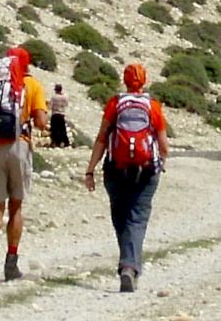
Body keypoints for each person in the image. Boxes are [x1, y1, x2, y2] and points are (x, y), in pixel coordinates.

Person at [84, 63, 170, 293]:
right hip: (146, 171)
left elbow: (102, 138)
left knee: (120, 216)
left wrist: (90, 170)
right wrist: (159, 163)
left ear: (125, 80)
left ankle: (127, 265)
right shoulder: (153, 106)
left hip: (115, 168)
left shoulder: (115, 104)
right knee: (138, 217)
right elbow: (163, 145)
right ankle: (129, 267)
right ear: (144, 81)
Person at [0, 46, 47, 280]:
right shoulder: (32, 85)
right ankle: (11, 262)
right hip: (19, 146)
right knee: (16, 206)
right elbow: (42, 121)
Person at [47, 84, 71, 148]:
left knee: (54, 129)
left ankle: (55, 142)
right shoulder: (64, 97)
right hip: (61, 114)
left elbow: (50, 106)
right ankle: (65, 142)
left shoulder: (54, 97)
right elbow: (66, 104)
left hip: (55, 114)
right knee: (62, 129)